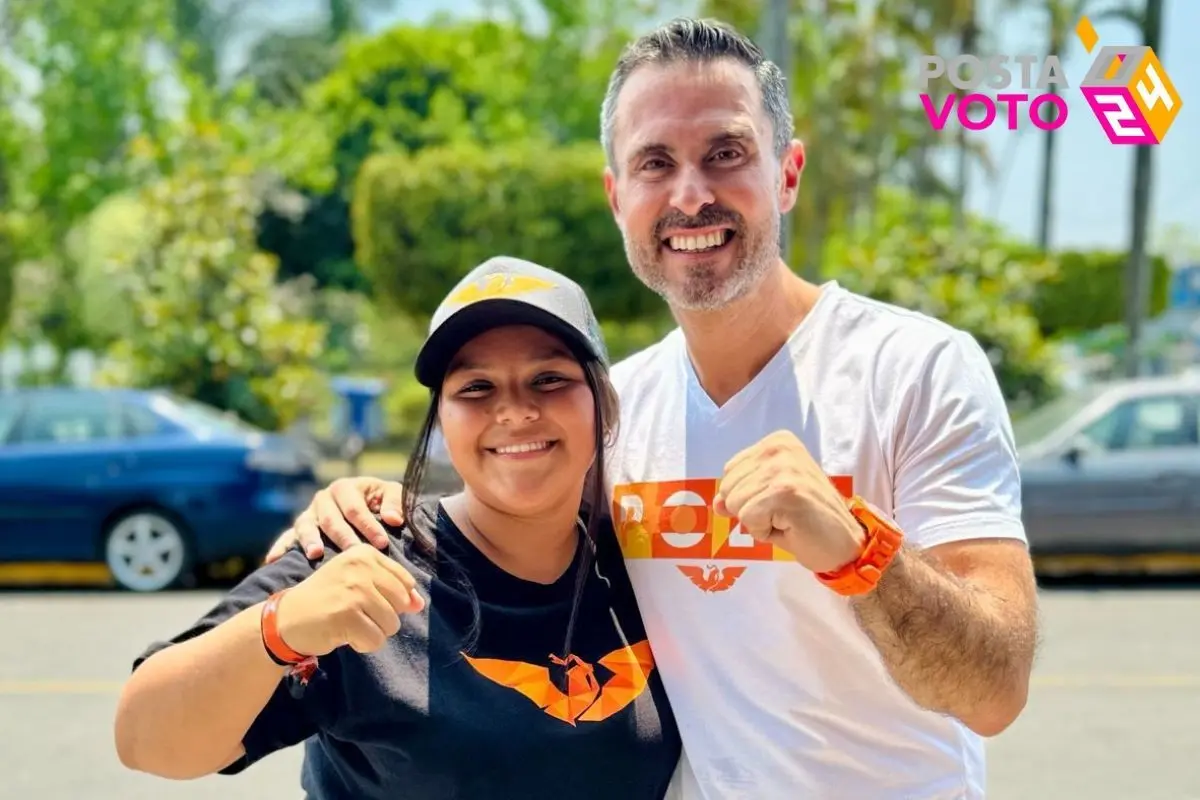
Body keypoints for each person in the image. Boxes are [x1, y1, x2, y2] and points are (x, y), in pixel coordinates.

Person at [266, 17, 1040, 800]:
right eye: (655, 163)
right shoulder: (611, 409)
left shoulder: (914, 369)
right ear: (616, 197)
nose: (691, 194)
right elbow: (502, 523)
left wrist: (855, 549)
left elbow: (993, 690)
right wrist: (368, 508)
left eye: (727, 154)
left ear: (788, 173)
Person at [114, 256, 683, 800]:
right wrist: (278, 629)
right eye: (476, 388)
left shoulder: (648, 563)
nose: (514, 410)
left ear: (604, 406)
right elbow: (145, 740)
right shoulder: (356, 561)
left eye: (549, 379)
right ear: (441, 420)